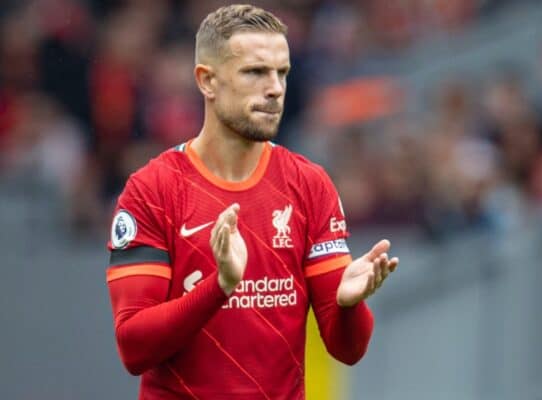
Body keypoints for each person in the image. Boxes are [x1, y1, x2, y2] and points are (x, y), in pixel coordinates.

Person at [106, 4, 398, 399]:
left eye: (282, 73)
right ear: (207, 81)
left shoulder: (309, 184)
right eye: (256, 72)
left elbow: (347, 349)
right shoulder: (153, 190)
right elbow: (133, 348)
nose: (275, 88)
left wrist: (348, 306)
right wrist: (221, 286)